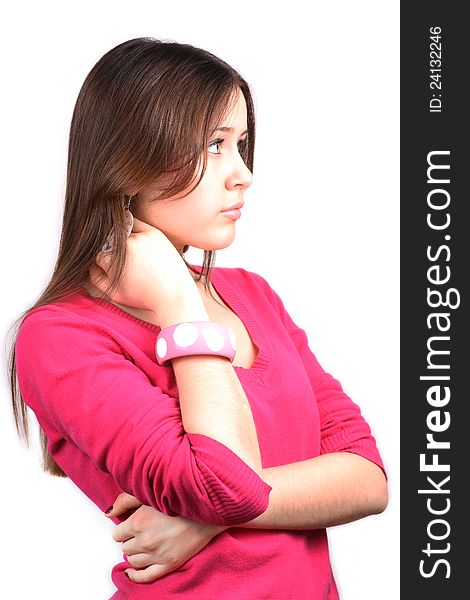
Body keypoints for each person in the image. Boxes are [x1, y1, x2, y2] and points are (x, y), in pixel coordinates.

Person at [8, 37, 388, 599]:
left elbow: (368, 477)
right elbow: (222, 486)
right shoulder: (61, 336)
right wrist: (179, 304)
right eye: (213, 145)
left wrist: (207, 516)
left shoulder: (253, 295)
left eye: (241, 144)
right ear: (127, 161)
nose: (242, 174)